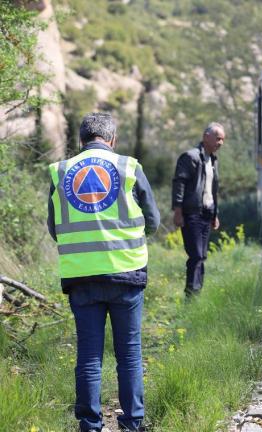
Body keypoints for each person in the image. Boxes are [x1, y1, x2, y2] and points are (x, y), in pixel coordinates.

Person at [47, 112, 160, 432]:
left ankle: (90, 425)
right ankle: (132, 424)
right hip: (126, 272)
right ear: (112, 139)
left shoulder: (62, 171)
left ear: (80, 140)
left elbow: (55, 228)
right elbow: (152, 220)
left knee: (89, 356)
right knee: (129, 355)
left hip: (81, 277)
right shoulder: (128, 167)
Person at [172, 122, 224, 298]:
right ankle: (192, 295)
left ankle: (196, 293)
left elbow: (212, 190)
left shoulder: (213, 160)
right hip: (192, 213)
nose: (221, 143)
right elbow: (179, 183)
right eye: (218, 138)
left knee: (201, 255)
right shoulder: (191, 157)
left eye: (222, 140)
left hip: (207, 213)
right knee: (196, 255)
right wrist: (178, 211)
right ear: (206, 137)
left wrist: (215, 215)